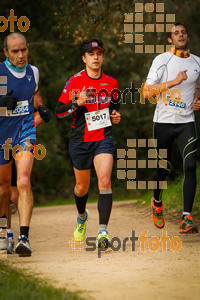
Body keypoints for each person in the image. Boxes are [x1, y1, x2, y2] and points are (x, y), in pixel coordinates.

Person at [56, 39, 121, 247]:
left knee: (104, 181)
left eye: (99, 53)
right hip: (80, 140)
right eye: (91, 54)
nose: (95, 57)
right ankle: (82, 216)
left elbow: (114, 109)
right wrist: (76, 104)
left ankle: (103, 232)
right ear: (84, 58)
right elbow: (59, 112)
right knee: (82, 187)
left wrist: (116, 116)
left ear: (102, 56)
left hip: (103, 137)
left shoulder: (112, 83)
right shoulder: (75, 82)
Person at [144, 22, 200, 233]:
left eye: (183, 32)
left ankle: (186, 217)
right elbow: (146, 91)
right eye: (176, 33)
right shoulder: (162, 60)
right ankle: (157, 202)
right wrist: (174, 82)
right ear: (170, 39)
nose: (180, 35)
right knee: (163, 168)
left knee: (190, 166)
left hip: (187, 122)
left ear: (188, 36)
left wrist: (197, 100)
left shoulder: (197, 62)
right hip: (164, 122)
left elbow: (198, 86)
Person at [0, 33, 50, 256]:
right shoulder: (0, 72)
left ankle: (24, 238)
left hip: (24, 130)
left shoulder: (33, 72)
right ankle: (5, 233)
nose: (21, 55)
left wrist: (40, 107)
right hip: (2, 134)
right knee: (2, 190)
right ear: (6, 53)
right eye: (15, 51)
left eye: (24, 50)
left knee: (22, 179)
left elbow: (35, 92)